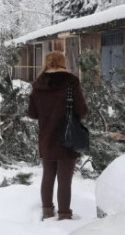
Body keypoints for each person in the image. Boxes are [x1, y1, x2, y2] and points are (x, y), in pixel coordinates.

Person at [27, 51, 89, 221]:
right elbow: (82, 110)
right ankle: (64, 214)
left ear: (46, 63)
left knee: (48, 175)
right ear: (63, 62)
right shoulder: (71, 82)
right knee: (64, 179)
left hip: (46, 137)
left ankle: (47, 211)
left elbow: (32, 113)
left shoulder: (38, 84)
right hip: (67, 137)